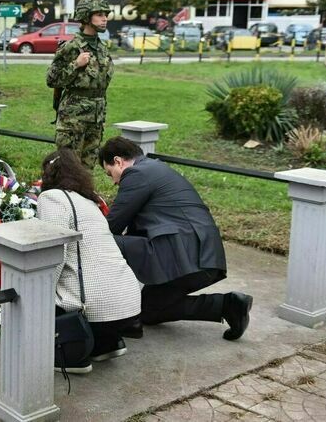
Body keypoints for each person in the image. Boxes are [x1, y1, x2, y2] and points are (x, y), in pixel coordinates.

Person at [99, 136, 253, 341]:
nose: (114, 181)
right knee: (147, 310)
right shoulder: (156, 169)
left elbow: (112, 226)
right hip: (202, 254)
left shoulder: (137, 174)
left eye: (110, 174)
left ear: (118, 161)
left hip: (183, 254)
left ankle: (103, 311)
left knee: (101, 242)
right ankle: (228, 305)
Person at [37, 147, 141, 374]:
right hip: (129, 302)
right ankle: (106, 343)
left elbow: (54, 254)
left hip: (95, 308)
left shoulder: (53, 198)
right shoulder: (89, 201)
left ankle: (74, 353)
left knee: (34, 297)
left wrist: (39, 294)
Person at [46, 0, 113, 169]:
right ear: (86, 16)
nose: (104, 18)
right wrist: (75, 64)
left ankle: (83, 195)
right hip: (73, 118)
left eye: (106, 14)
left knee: (88, 166)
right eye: (99, 14)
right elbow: (52, 79)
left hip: (96, 116)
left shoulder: (102, 48)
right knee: (69, 166)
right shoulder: (71, 47)